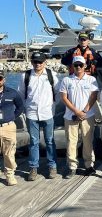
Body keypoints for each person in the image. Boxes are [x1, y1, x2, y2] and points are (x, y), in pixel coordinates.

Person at [17, 52, 60, 181]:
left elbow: (58, 93)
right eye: (35, 62)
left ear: (45, 62)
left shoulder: (52, 75)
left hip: (47, 113)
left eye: (40, 62)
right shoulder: (25, 75)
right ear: (31, 62)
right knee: (34, 142)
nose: (38, 64)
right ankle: (33, 167)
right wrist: (27, 107)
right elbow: (20, 94)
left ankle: (52, 166)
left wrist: (52, 105)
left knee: (50, 141)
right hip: (31, 113)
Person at [59, 55, 99, 179]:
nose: (78, 67)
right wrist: (76, 111)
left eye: (80, 65)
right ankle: (72, 167)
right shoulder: (66, 80)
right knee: (71, 141)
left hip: (88, 115)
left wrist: (85, 110)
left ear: (85, 66)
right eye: (76, 65)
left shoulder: (91, 79)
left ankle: (89, 165)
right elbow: (64, 97)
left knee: (88, 141)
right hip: (70, 116)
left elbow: (94, 96)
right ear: (72, 66)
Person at [0, 70, 24, 186]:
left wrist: (12, 117)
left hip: (8, 126)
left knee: (9, 152)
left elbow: (20, 107)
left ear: (4, 79)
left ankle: (9, 174)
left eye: (0, 78)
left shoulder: (12, 92)